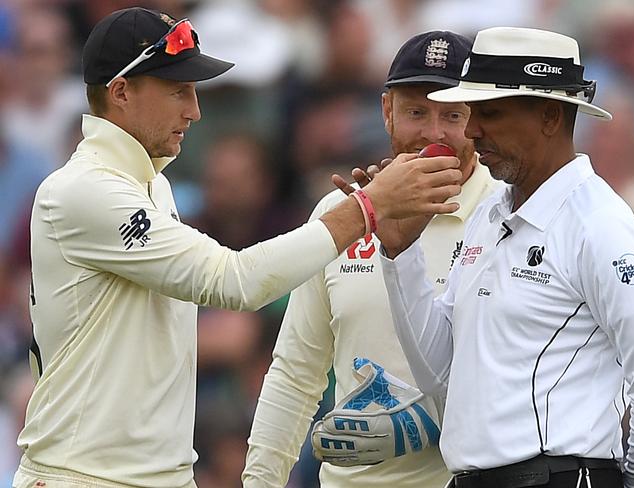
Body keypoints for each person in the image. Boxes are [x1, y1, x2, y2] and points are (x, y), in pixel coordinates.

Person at [12, 8, 464, 488]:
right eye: (178, 90)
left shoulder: (151, 186)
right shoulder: (85, 189)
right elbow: (235, 281)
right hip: (81, 477)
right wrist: (367, 209)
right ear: (121, 92)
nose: (195, 109)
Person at [379, 27, 634, 488]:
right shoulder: (491, 210)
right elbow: (441, 373)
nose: (470, 130)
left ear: (549, 116)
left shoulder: (599, 224)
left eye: (491, 113)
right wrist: (400, 251)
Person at [243, 31, 501, 488]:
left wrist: (427, 423)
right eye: (416, 112)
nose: (434, 134)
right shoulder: (340, 217)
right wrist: (260, 482)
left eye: (453, 115)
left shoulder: (508, 217)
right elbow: (296, 372)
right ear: (387, 112)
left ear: (478, 120)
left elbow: (538, 372)